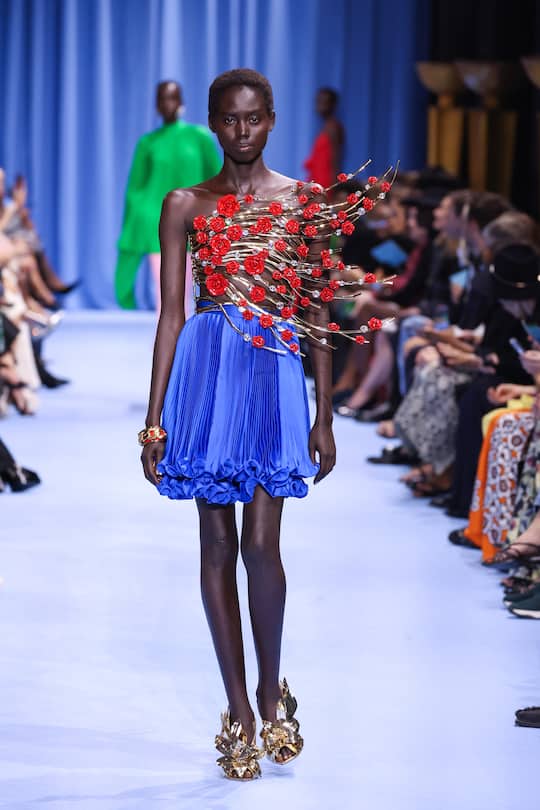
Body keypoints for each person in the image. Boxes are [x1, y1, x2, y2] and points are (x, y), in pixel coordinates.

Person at [140, 68, 387, 780]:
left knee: (261, 544)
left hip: (273, 366)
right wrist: (154, 423)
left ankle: (271, 693)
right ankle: (238, 709)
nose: (241, 131)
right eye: (229, 119)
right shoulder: (185, 203)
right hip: (207, 371)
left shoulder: (301, 203)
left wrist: (327, 413)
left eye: (253, 119)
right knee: (215, 542)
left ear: (271, 120)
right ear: (214, 123)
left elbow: (316, 311)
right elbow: (171, 315)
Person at [115, 81, 222, 312]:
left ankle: (192, 347)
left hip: (196, 225)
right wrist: (136, 227)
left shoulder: (199, 138)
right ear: (156, 105)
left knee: (199, 298)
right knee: (167, 298)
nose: (168, 104)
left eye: (173, 98)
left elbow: (217, 179)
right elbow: (136, 189)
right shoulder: (148, 143)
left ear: (181, 102)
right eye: (163, 99)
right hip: (159, 224)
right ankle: (168, 348)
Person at [304, 87, 345, 189]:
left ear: (332, 105)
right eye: (318, 101)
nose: (319, 105)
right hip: (317, 176)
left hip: (325, 180)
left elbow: (336, 158)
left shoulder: (333, 128)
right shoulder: (326, 126)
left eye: (324, 102)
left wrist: (334, 185)